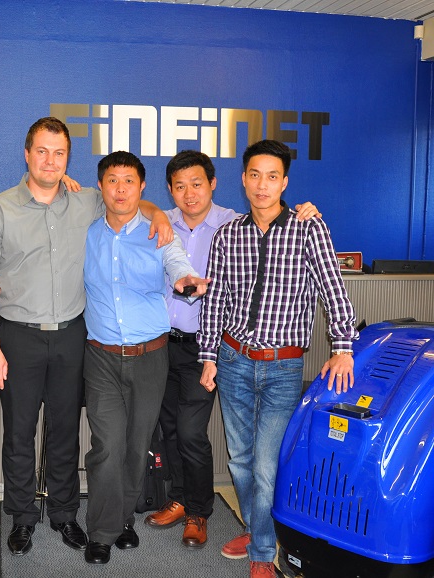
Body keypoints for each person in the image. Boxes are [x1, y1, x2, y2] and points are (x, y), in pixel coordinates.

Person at [0, 117, 173, 557]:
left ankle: (63, 514)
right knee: (19, 434)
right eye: (42, 151)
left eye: (59, 153)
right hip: (17, 335)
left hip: (72, 336)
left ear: (67, 159)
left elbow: (129, 201)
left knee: (64, 432)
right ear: (27, 154)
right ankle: (22, 518)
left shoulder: (87, 201)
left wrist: (158, 215)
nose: (50, 161)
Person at [197, 140, 357, 578]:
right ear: (243, 179)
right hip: (233, 360)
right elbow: (216, 301)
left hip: (283, 367)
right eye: (254, 175)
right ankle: (256, 528)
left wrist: (343, 348)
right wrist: (209, 356)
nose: (262, 185)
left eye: (272, 176)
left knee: (267, 466)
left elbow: (332, 289)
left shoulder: (308, 228)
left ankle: (263, 552)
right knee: (240, 461)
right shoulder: (228, 234)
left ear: (284, 182)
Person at [146, 151, 321, 551]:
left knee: (192, 432)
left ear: (214, 183)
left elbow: (273, 219)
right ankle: (179, 498)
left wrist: (304, 211)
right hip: (162, 342)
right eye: (179, 186)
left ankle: (198, 511)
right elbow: (126, 202)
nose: (189, 193)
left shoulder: (232, 225)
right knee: (168, 428)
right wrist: (154, 211)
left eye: (197, 184)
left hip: (209, 347)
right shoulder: (161, 222)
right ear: (169, 190)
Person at [82, 151, 208, 565]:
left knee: (137, 447)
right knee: (107, 445)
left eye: (129, 181)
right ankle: (102, 532)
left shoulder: (159, 230)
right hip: (101, 357)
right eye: (112, 180)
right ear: (101, 186)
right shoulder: (86, 231)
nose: (120, 189)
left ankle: (124, 520)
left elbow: (177, 263)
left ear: (142, 188)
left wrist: (186, 280)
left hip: (151, 357)